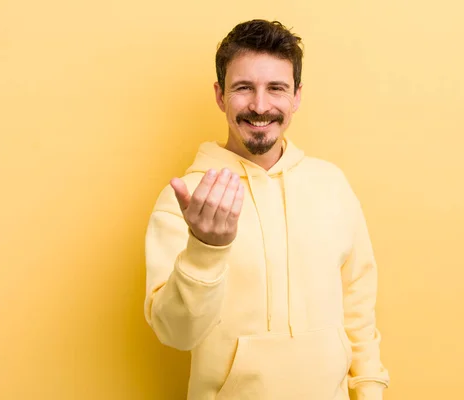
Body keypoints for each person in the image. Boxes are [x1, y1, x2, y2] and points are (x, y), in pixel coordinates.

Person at [144, 19, 390, 400]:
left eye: (276, 88)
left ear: (297, 96)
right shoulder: (188, 198)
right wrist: (204, 250)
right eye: (243, 88)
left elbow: (358, 306)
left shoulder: (332, 184)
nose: (260, 106)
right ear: (220, 95)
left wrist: (370, 390)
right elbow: (176, 334)